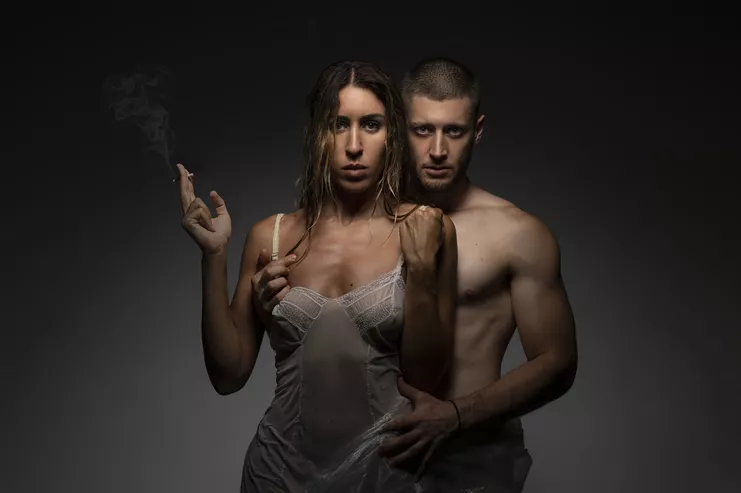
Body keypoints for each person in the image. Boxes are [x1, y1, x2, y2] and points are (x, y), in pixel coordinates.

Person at [176, 60, 458, 492]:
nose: (354, 145)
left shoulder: (426, 228)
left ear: (392, 135)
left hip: (385, 476)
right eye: (338, 124)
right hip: (277, 474)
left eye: (371, 124)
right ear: (317, 134)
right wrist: (214, 256)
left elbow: (427, 381)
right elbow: (228, 376)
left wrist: (419, 270)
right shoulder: (270, 237)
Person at [377, 57, 579, 491]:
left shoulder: (517, 234)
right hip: (370, 455)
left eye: (454, 131)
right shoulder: (365, 222)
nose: (437, 150)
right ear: (398, 127)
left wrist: (455, 416)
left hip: (470, 457)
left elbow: (558, 362)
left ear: (478, 130)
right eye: (421, 130)